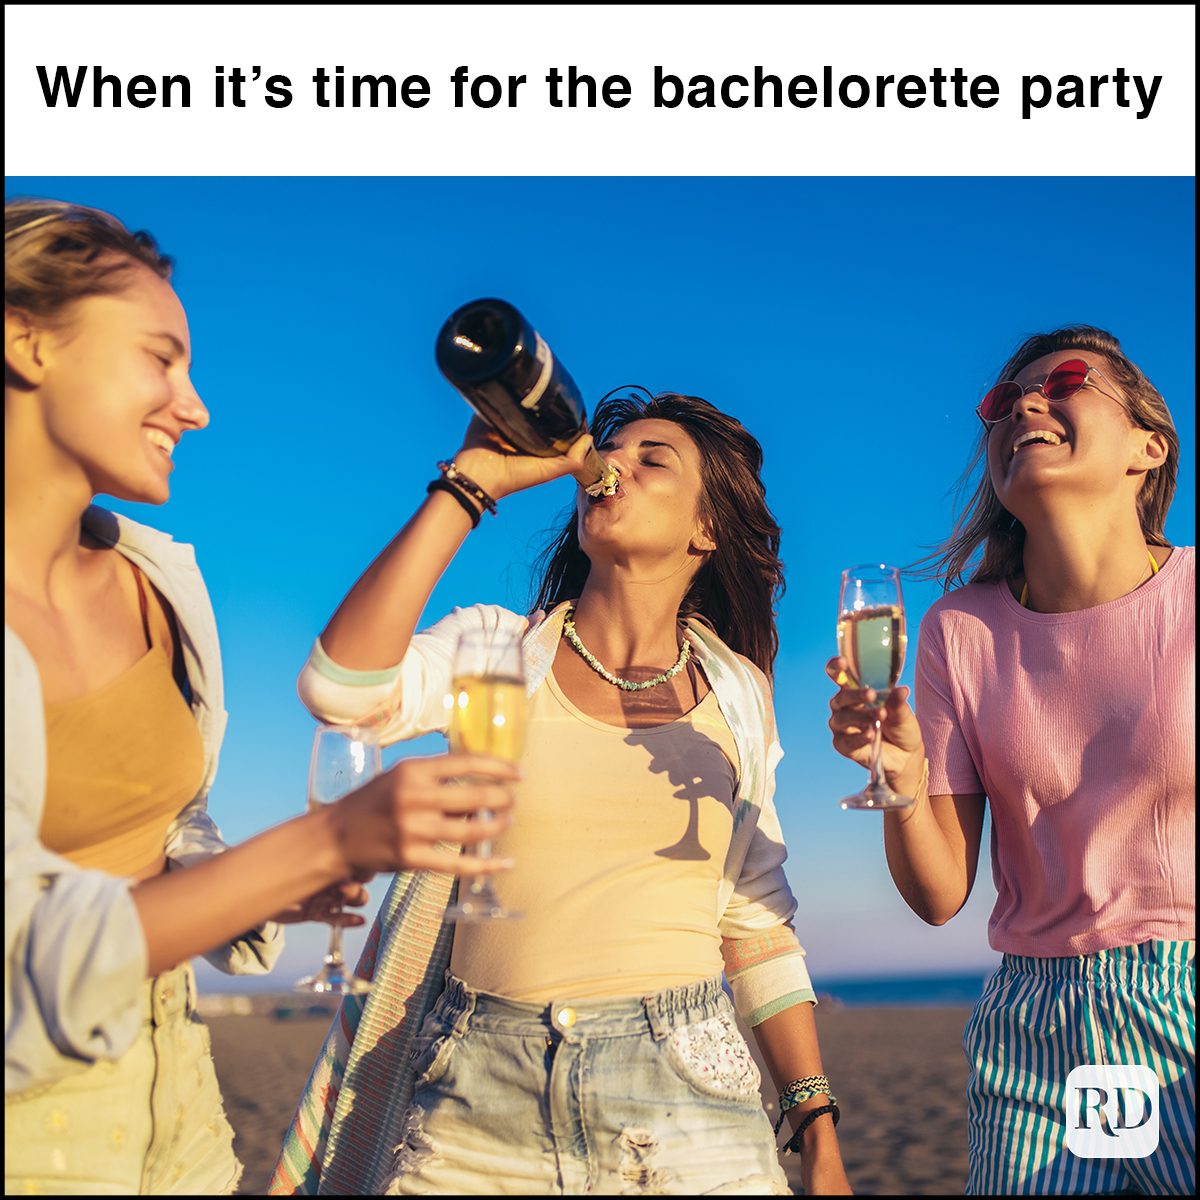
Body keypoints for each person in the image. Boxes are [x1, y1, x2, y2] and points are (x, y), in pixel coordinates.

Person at [4, 198, 516, 1195]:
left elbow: (151, 843)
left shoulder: (161, 589)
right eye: (162, 358)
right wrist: (326, 843)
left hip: (177, 1112)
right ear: (25, 341)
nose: (194, 406)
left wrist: (262, 881)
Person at [271, 389, 852, 1195]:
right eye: (613, 452)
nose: (614, 465)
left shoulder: (739, 695)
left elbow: (755, 920)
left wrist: (816, 1132)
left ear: (706, 529)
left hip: (688, 1092)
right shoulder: (494, 649)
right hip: (478, 1092)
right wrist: (467, 485)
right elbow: (341, 690)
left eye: (655, 460)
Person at [827, 327, 1194, 1195]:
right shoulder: (959, 628)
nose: (1023, 404)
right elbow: (938, 894)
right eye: (999, 403)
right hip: (1033, 1026)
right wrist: (905, 785)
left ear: (1150, 446)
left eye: (1064, 381)